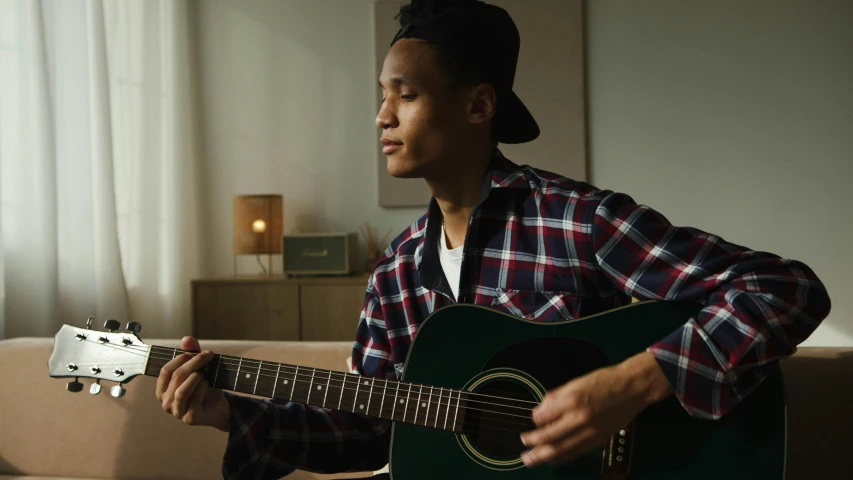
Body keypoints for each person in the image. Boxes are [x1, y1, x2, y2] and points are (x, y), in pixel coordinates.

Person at [155, 1, 832, 479]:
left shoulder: (576, 222)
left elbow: (784, 289)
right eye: (379, 95)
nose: (379, 115)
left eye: (405, 94)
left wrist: (630, 384)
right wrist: (227, 410)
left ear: (477, 106)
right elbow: (371, 428)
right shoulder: (395, 270)